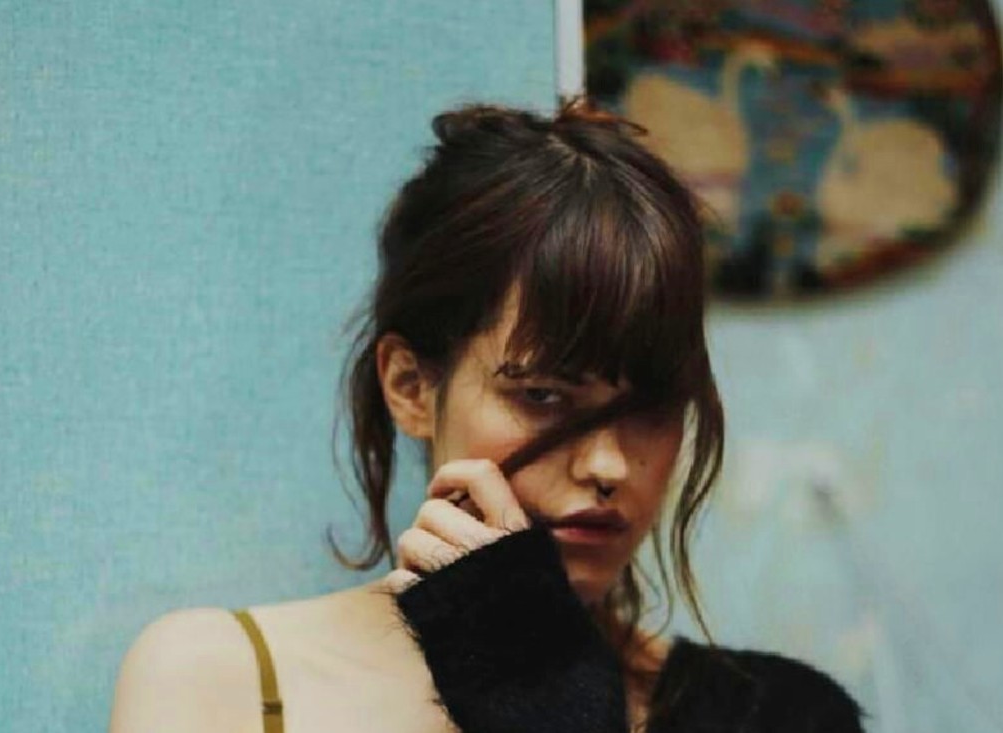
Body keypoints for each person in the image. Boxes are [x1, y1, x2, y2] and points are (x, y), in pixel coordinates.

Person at [108, 100, 865, 733]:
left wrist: (549, 702)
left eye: (650, 408)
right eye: (543, 395)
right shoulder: (217, 681)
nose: (607, 465)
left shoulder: (778, 716)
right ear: (410, 386)